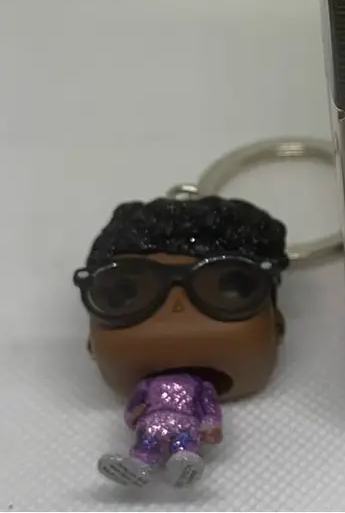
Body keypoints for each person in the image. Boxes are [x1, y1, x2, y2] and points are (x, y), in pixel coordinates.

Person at [73, 196, 289, 488]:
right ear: (91, 342)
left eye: (224, 287)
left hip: (179, 423)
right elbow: (136, 405)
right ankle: (140, 462)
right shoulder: (150, 388)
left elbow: (206, 406)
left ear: (277, 325)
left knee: (180, 441)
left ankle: (183, 458)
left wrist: (210, 424)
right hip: (154, 421)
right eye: (130, 292)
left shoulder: (198, 389)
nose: (177, 308)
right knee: (147, 442)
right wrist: (134, 417)